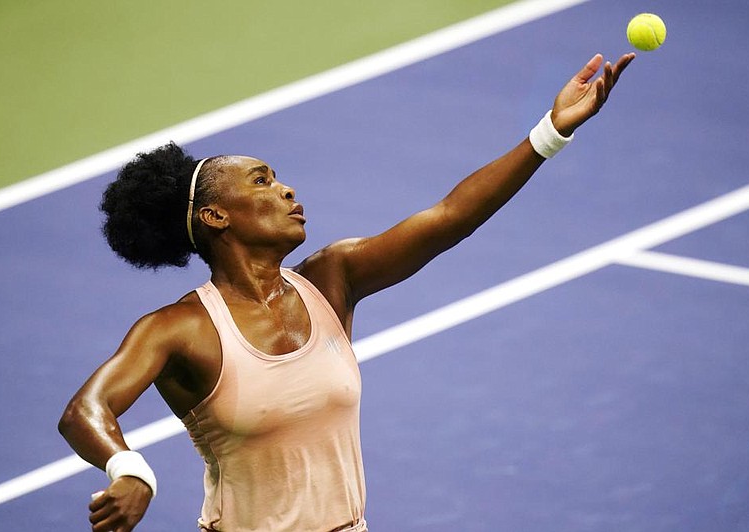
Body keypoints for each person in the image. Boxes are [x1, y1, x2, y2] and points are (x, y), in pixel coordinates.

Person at [58, 52, 635, 532]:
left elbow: (449, 217)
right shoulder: (178, 329)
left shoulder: (332, 280)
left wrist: (550, 131)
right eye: (262, 181)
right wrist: (130, 468)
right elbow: (86, 410)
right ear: (215, 215)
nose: (286, 189)